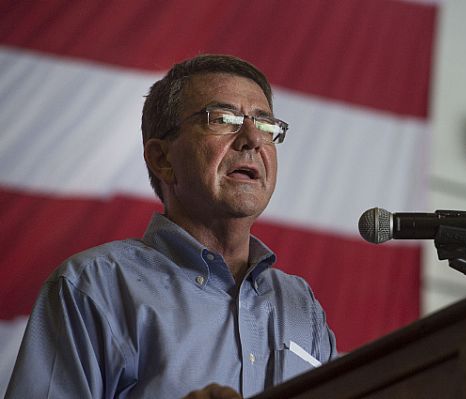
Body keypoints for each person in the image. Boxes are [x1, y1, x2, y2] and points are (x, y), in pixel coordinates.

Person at [6, 54, 337, 399]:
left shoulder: (302, 305)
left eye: (266, 125)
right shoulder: (92, 287)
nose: (253, 138)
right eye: (223, 119)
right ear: (162, 159)